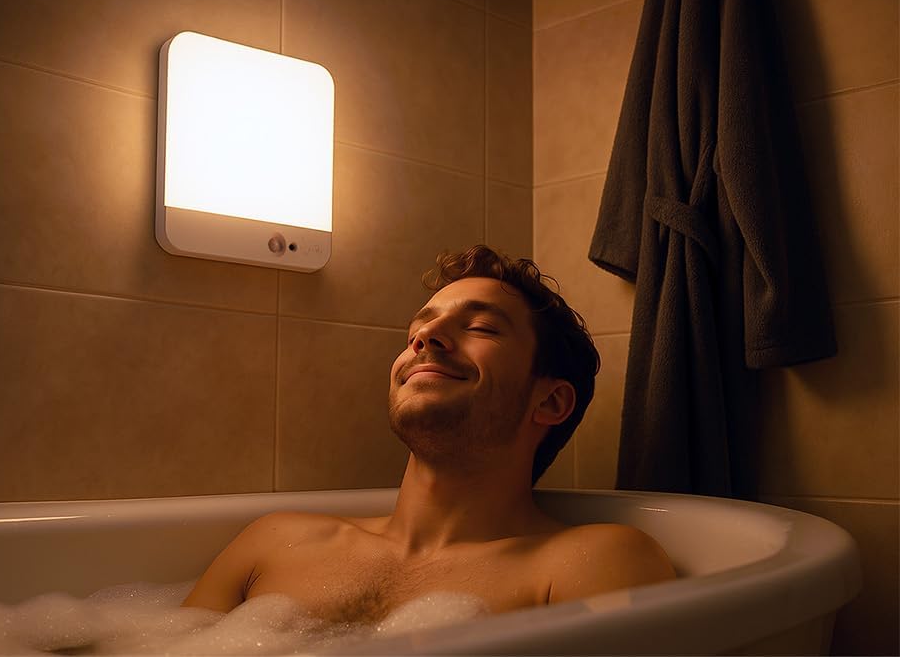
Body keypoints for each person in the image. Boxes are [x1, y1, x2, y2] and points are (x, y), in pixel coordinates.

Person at [184, 246, 675, 622]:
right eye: (419, 329)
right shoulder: (271, 542)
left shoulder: (587, 564)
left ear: (549, 401)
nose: (424, 338)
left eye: (481, 327)